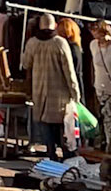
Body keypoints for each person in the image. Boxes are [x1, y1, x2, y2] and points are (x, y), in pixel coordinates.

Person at [21, 14, 80, 158]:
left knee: (45, 126)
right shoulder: (60, 43)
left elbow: (25, 64)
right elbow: (69, 71)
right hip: (59, 94)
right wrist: (75, 93)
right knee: (63, 129)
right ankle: (67, 157)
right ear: (54, 25)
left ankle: (50, 155)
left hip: (39, 91)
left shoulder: (32, 43)